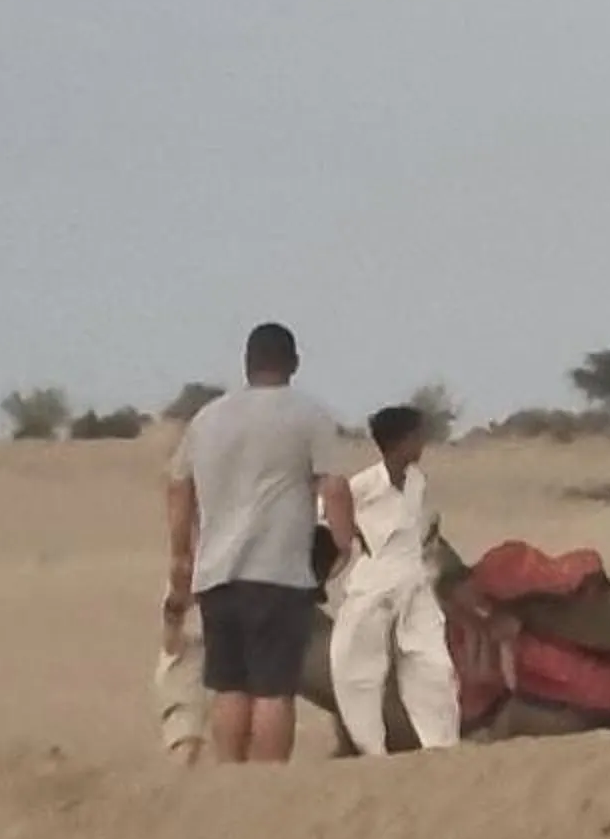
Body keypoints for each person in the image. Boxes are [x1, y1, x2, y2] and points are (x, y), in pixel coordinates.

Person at [163, 322, 360, 764]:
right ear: (293, 363)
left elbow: (178, 485)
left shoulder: (208, 418)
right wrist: (345, 544)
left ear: (246, 363)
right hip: (280, 572)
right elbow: (335, 487)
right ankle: (270, 782)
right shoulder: (309, 416)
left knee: (229, 685)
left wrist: (182, 553)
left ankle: (232, 777)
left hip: (216, 573)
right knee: (273, 689)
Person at [328, 404, 460, 755]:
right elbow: (330, 511)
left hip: (414, 579)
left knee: (432, 664)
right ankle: (372, 749)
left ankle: (440, 744)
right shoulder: (363, 485)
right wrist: (354, 536)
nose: (422, 444)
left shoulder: (417, 482)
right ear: (399, 442)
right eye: (416, 436)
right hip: (374, 580)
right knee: (359, 667)